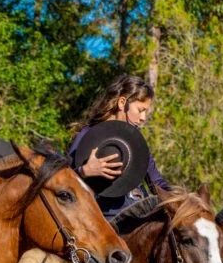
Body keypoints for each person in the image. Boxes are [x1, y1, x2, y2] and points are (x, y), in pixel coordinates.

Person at [68, 75, 171, 216]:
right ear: (122, 103)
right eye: (141, 110)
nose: (143, 118)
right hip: (102, 221)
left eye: (146, 112)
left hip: (139, 219)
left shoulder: (137, 141)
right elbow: (62, 183)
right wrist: (85, 171)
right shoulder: (88, 134)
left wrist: (181, 202)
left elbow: (157, 183)